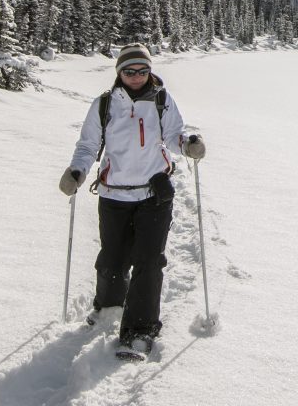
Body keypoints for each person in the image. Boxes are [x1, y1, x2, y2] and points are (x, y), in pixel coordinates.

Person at [58, 43, 206, 361]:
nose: (136, 76)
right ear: (119, 73)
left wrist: (189, 145)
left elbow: (174, 136)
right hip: (114, 195)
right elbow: (88, 145)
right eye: (129, 71)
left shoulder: (162, 101)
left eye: (142, 70)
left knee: (149, 262)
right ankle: (110, 309)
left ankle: (139, 332)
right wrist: (77, 172)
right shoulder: (105, 105)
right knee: (112, 260)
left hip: (154, 194)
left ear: (149, 71)